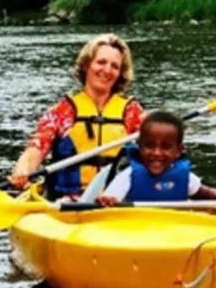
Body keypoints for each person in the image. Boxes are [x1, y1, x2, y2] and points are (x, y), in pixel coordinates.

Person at [9, 33, 143, 199]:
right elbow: (37, 147)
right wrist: (23, 169)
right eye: (101, 62)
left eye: (115, 66)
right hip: (67, 203)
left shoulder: (132, 111)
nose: (107, 70)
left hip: (116, 203)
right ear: (87, 65)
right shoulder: (62, 111)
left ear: (120, 73)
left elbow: (155, 150)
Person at [95, 110, 216, 207]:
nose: (157, 153)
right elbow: (107, 202)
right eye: (149, 146)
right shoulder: (127, 177)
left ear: (179, 151)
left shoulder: (185, 178)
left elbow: (207, 193)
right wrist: (108, 201)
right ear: (139, 147)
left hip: (171, 236)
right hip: (136, 235)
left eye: (166, 147)